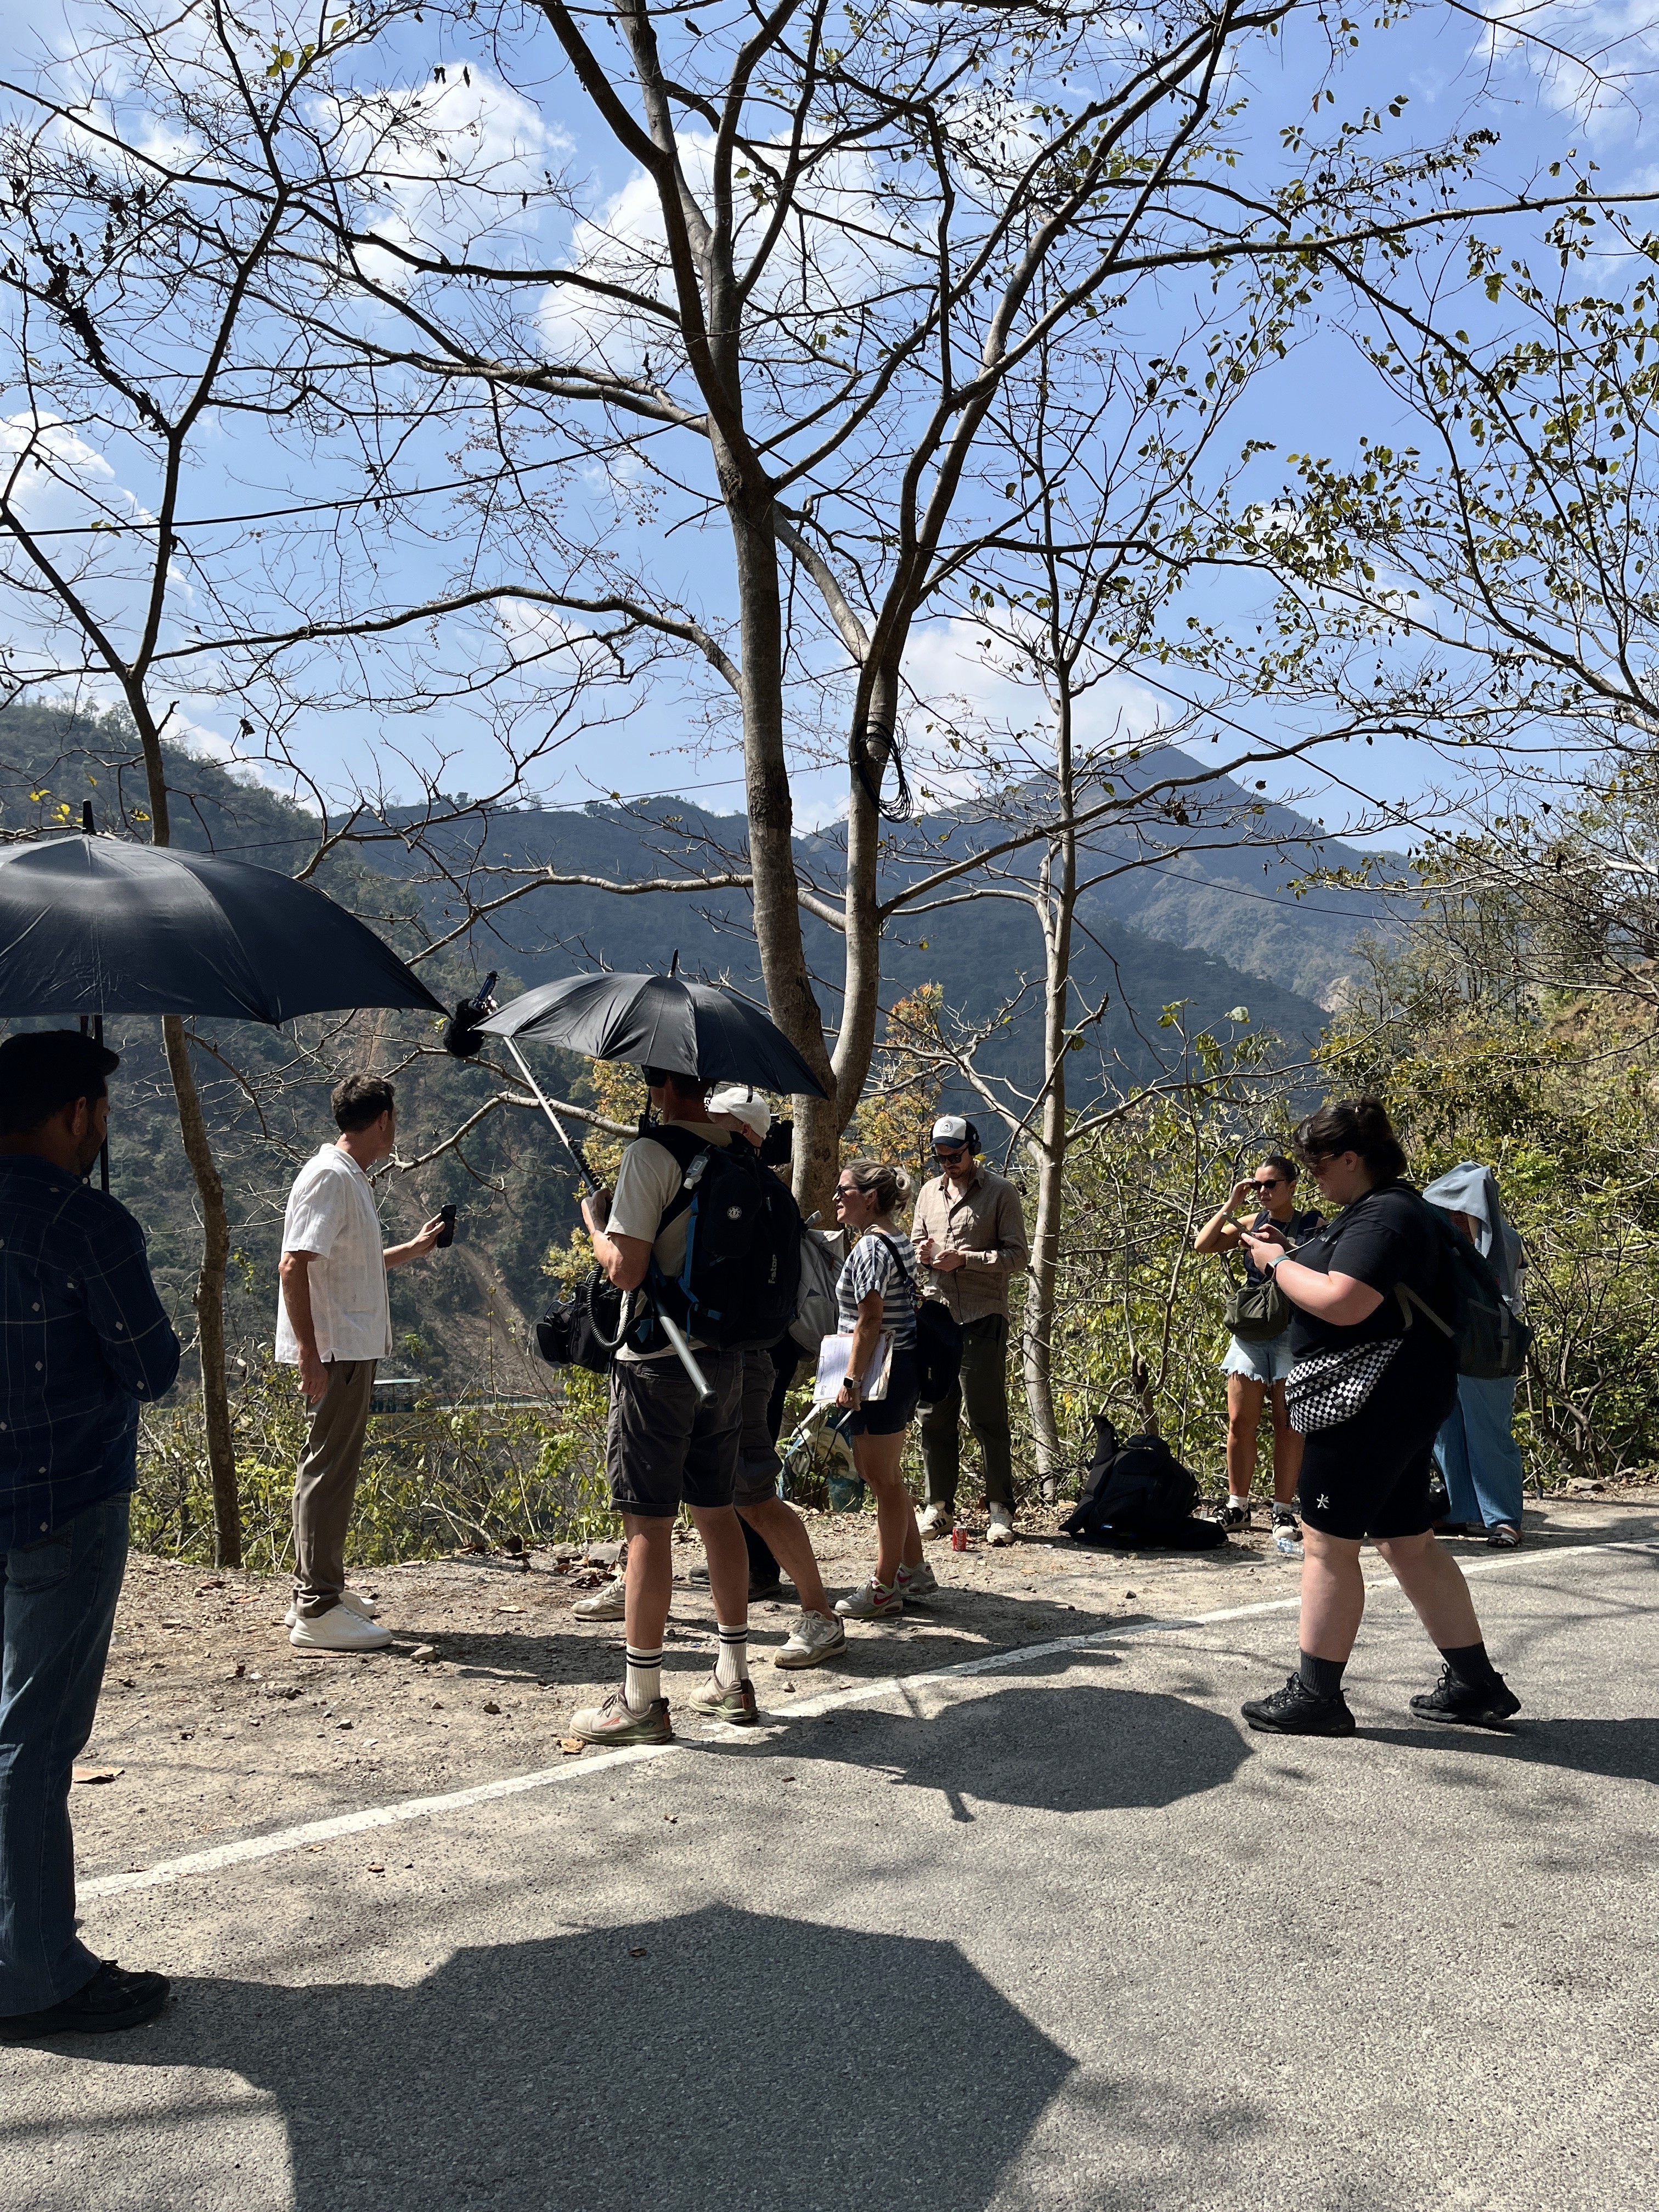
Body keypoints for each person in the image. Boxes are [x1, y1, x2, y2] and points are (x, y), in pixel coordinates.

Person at [1236, 1097, 1521, 1736]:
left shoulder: (1386, 1216)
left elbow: (1343, 1302)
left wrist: (1277, 1265)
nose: (1312, 1176)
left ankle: (1317, 1695)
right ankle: (1475, 1684)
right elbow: (1349, 1277)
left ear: (1350, 1158)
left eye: (1317, 1164)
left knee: (1327, 1543)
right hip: (1402, 1394)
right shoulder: (1384, 1212)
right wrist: (1296, 1250)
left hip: (1367, 1401)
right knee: (1406, 1542)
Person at [0, 1031, 180, 2040]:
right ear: (75, 1114)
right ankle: (36, 1968)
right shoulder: (89, 1225)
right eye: (98, 1109)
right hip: (63, 1503)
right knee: (34, 1737)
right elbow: (150, 1368)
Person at [569, 1066, 754, 1741]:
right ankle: (732, 1679)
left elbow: (627, 1270)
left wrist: (596, 1224)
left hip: (657, 1361)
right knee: (717, 1512)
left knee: (647, 1527)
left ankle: (641, 1701)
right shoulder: (737, 1148)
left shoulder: (651, 1155)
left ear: (654, 1081)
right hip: (724, 1359)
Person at [278, 1075, 447, 1654]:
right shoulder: (330, 1176)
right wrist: (309, 1352)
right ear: (383, 1120)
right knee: (327, 1470)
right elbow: (293, 1264)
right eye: (394, 1120)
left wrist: (416, 1249)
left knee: (330, 1467)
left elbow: (348, 1261)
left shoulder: (347, 1177)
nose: (395, 1129)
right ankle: (317, 1606)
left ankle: (321, 1589)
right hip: (336, 1348)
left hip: (346, 1346)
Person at [912, 1115, 1030, 1545]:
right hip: (936, 1316)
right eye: (941, 1158)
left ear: (972, 1149)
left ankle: (1001, 1509)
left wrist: (965, 1259)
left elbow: (1018, 1256)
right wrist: (924, 1256)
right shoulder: (927, 1193)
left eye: (955, 1156)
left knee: (987, 1416)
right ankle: (939, 1507)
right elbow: (915, 1246)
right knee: (934, 1414)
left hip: (983, 1315)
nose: (948, 1164)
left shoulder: (1001, 1193)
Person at [1192, 1154, 1323, 1542]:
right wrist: (1231, 1206)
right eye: (1258, 1185)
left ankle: (1284, 1510)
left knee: (1288, 1423)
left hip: (1292, 1329)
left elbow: (1321, 1267)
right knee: (1240, 1421)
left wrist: (1286, 1246)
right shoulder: (1252, 1222)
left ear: (1292, 1186)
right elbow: (1204, 1244)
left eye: (1272, 1185)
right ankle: (1239, 1506)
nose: (1264, 1192)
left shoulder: (1311, 1224)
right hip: (1252, 1330)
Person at [831, 1159, 936, 1623]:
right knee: (888, 1476)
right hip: (900, 1369)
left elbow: (869, 1319)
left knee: (881, 1478)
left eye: (845, 1190)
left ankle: (884, 1585)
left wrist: (850, 1381)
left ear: (869, 1198)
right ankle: (913, 1569)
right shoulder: (894, 1240)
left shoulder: (871, 1248)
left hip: (881, 1376)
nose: (837, 1197)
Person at [1424, 1163, 1527, 1548]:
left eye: (1461, 1207)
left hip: (1489, 1351)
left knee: (1489, 1432)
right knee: (1445, 1432)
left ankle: (1503, 1520)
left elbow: (1506, 1292)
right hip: (1444, 1347)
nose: (1453, 1215)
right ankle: (1462, 1510)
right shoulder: (1442, 1241)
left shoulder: (1506, 1240)